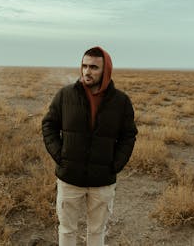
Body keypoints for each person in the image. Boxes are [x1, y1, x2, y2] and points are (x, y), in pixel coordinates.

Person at [42, 46, 138, 246]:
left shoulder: (121, 101)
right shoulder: (65, 95)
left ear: (106, 71)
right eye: (84, 66)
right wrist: (61, 156)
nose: (87, 71)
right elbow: (49, 125)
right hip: (69, 178)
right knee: (67, 230)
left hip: (102, 180)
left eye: (94, 67)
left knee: (97, 231)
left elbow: (129, 135)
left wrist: (115, 164)